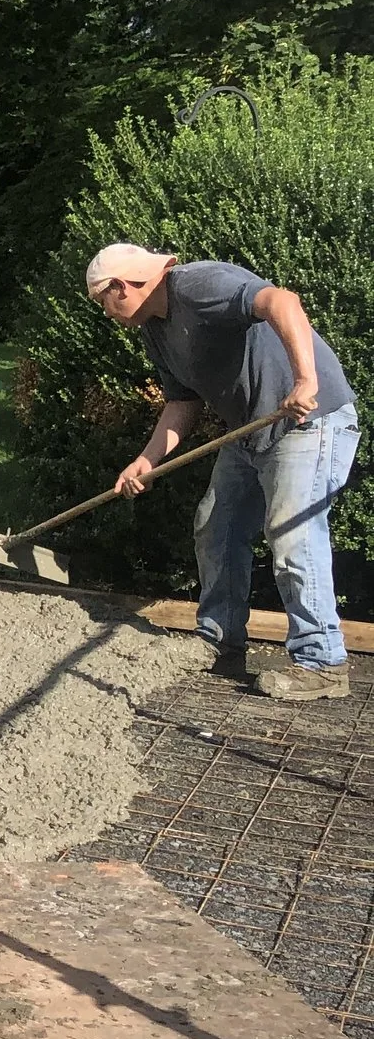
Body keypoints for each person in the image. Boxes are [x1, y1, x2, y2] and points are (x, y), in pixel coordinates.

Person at [87, 243, 359, 699]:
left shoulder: (197, 284)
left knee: (293, 536)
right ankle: (220, 642)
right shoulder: (155, 329)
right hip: (251, 431)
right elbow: (181, 403)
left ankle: (322, 663)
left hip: (308, 421)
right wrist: (147, 460)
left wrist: (304, 380)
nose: (107, 314)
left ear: (120, 287)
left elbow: (281, 301)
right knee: (217, 527)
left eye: (102, 303)